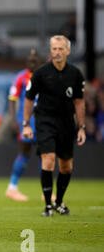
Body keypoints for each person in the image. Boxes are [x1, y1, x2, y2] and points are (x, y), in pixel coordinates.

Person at [23, 35, 86, 216]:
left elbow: (79, 102)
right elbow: (28, 99)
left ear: (68, 50)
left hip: (66, 123)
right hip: (45, 121)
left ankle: (59, 202)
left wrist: (81, 126)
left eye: (60, 49)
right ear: (50, 51)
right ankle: (48, 205)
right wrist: (26, 124)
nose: (57, 53)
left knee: (66, 166)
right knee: (48, 160)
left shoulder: (75, 74)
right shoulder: (41, 73)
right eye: (54, 49)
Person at [6, 50, 42, 201]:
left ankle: (46, 190)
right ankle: (12, 187)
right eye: (29, 61)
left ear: (39, 62)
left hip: (43, 120)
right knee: (24, 152)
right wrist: (14, 119)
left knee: (45, 153)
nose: (32, 63)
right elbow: (12, 99)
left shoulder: (44, 75)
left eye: (34, 61)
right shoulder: (21, 77)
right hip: (26, 120)